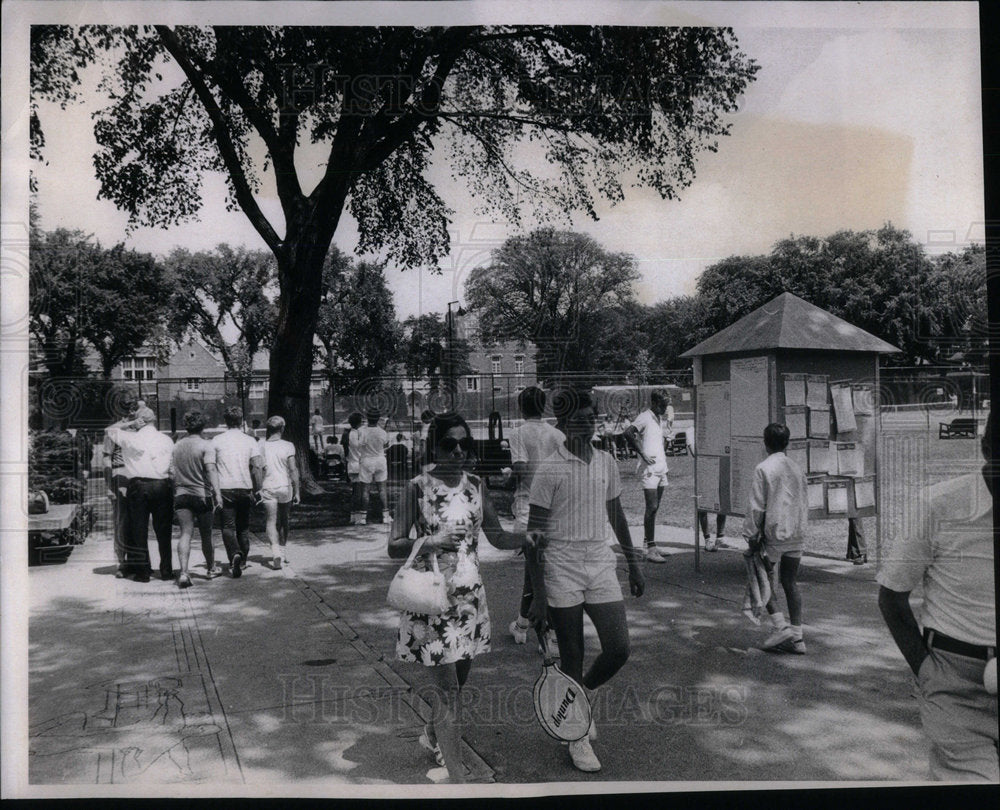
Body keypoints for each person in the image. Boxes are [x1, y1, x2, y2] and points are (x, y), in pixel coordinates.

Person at [388, 412, 525, 783]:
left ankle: (433, 735)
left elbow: (496, 535)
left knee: (458, 685)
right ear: (435, 447)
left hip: (470, 605)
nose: (459, 450)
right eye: (450, 443)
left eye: (466, 443)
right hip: (432, 604)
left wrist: (528, 538)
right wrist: (427, 541)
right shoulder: (417, 488)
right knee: (448, 693)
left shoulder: (476, 485)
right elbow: (393, 545)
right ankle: (459, 778)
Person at [526, 390, 645, 773]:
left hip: (599, 562)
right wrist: (539, 597)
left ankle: (583, 697)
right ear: (561, 424)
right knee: (572, 658)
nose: (588, 422)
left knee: (619, 648)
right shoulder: (549, 469)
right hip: (561, 566)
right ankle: (576, 737)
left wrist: (634, 562)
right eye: (580, 418)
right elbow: (534, 538)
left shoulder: (607, 461)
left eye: (592, 416)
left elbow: (617, 515)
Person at [877, 412, 996, 781]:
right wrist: (928, 672)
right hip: (957, 684)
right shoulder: (938, 505)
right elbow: (892, 597)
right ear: (987, 449)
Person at [741, 423, 809, 654]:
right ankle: (798, 638)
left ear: (765, 442)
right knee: (790, 582)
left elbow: (756, 506)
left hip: (773, 533)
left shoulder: (763, 468)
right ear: (787, 442)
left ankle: (781, 626)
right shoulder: (797, 468)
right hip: (796, 532)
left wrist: (751, 534)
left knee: (764, 582)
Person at [506, 386, 565, 647]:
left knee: (536, 573)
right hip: (554, 508)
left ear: (521, 407)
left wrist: (506, 478)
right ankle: (522, 623)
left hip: (528, 506)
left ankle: (544, 634)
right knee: (536, 572)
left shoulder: (517, 433)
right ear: (544, 406)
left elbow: (519, 468)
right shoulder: (557, 434)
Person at [105, 406, 175, 583]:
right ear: (154, 420)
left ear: (139, 421)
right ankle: (167, 570)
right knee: (163, 530)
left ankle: (143, 572)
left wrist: (129, 423)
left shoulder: (131, 438)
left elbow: (109, 430)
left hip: (138, 485)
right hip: (162, 484)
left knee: (139, 530)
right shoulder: (166, 440)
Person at [169, 410, 223, 587]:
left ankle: (184, 573)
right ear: (203, 425)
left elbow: (170, 472)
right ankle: (211, 567)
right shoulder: (206, 445)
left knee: (185, 533)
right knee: (207, 534)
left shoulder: (176, 445)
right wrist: (218, 493)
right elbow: (211, 470)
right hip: (202, 494)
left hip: (181, 494)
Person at [212, 406, 263, 577]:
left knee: (228, 526)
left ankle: (234, 553)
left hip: (225, 487)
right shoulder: (250, 441)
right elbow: (256, 467)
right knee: (243, 527)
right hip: (245, 486)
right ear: (241, 421)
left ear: (225, 421)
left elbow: (210, 467)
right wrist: (259, 489)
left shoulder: (216, 440)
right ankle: (243, 561)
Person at [624, 390, 671, 563]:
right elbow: (628, 433)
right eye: (662, 405)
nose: (665, 408)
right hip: (649, 470)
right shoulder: (644, 417)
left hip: (661, 467)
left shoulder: (659, 418)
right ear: (654, 402)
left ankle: (649, 543)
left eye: (666, 405)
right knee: (651, 507)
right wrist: (642, 453)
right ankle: (650, 550)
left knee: (655, 507)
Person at [258, 416, 301, 570]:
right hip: (284, 486)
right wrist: (297, 490)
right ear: (282, 428)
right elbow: (293, 469)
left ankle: (275, 551)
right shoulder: (288, 445)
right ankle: (282, 552)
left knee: (270, 521)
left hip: (268, 486)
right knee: (284, 519)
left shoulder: (260, 445)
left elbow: (259, 469)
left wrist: (258, 487)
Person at [103, 398, 138, 578]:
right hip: (121, 475)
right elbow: (106, 458)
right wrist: (109, 485)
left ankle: (135, 560)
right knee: (121, 521)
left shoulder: (138, 429)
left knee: (137, 521)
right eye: (134, 410)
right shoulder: (114, 430)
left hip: (138, 475)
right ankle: (121, 562)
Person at [686, 431, 727, 552]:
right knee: (703, 506)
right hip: (704, 471)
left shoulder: (714, 426)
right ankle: (707, 538)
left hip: (717, 467)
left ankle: (720, 536)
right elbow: (694, 453)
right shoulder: (690, 430)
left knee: (722, 502)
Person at [359, 408, 390, 524]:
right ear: (378, 418)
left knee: (365, 490)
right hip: (380, 460)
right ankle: (386, 516)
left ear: (367, 418)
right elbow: (386, 444)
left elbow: (360, 445)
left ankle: (363, 518)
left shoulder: (362, 431)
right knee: (382, 489)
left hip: (367, 460)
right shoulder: (382, 432)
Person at [343, 412, 366, 525]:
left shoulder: (350, 433)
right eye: (362, 422)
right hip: (358, 466)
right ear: (358, 423)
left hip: (352, 465)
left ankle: (353, 516)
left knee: (355, 492)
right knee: (359, 493)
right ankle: (358, 517)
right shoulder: (356, 434)